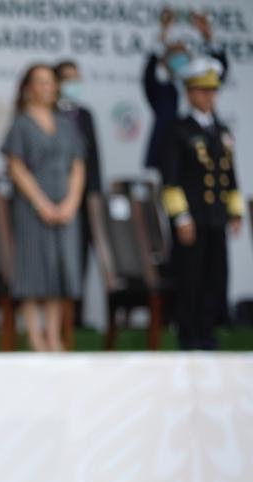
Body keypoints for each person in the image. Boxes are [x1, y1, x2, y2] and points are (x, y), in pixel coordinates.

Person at [1, 64, 85, 352]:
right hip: (32, 207)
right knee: (33, 267)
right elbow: (16, 167)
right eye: (40, 82)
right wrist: (42, 204)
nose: (47, 87)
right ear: (28, 87)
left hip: (65, 206)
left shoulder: (66, 124)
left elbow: (77, 166)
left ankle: (53, 334)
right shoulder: (21, 124)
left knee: (60, 269)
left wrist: (71, 203)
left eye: (51, 82)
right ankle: (34, 335)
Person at [160, 57, 243, 351]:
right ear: (190, 92)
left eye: (213, 91)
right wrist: (181, 216)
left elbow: (230, 175)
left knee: (215, 276)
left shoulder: (221, 130)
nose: (210, 97)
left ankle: (209, 333)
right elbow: (170, 178)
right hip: (192, 217)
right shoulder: (178, 130)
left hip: (216, 216)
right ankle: (189, 335)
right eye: (203, 90)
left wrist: (234, 211)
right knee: (190, 277)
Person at [143, 9, 227, 177]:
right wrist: (163, 32)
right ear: (164, 61)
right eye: (173, 55)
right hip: (165, 161)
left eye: (183, 54)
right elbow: (149, 72)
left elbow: (220, 70)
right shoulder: (161, 91)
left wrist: (208, 36)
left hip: (200, 162)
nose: (179, 59)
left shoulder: (201, 85)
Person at [55, 59, 102, 325]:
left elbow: (93, 159)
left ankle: (77, 316)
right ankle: (58, 317)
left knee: (82, 256)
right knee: (58, 258)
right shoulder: (49, 114)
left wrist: (95, 195)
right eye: (68, 78)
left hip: (83, 199)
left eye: (77, 78)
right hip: (56, 198)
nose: (74, 84)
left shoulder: (86, 115)